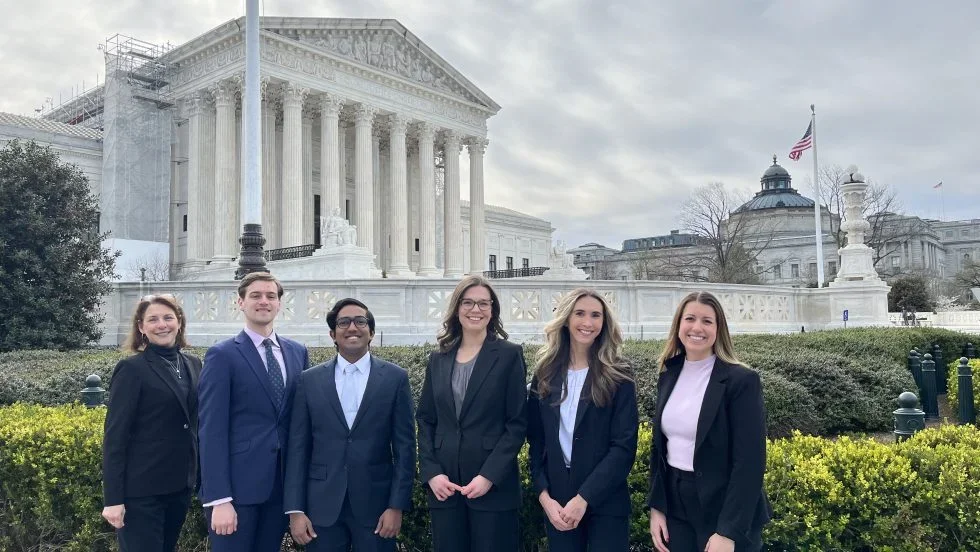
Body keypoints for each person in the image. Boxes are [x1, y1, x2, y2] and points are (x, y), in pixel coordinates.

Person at [284, 298, 415, 551]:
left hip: (376, 507)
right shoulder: (308, 381)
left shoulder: (395, 378)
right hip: (321, 507)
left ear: (371, 333)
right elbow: (298, 447)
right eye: (344, 322)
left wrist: (396, 506)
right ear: (333, 334)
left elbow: (405, 448)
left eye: (360, 321)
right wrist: (295, 510)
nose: (352, 327)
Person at [647, 292, 772, 552]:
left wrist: (728, 531)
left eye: (707, 321)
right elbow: (659, 448)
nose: (697, 328)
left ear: (719, 329)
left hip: (724, 507)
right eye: (690, 318)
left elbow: (750, 463)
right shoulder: (668, 373)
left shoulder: (741, 381)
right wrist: (657, 507)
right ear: (679, 325)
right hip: (676, 503)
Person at [199, 272, 310, 552]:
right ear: (241, 303)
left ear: (279, 304)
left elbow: (300, 423)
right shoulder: (222, 355)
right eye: (256, 296)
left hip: (280, 491)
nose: (264, 301)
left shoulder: (298, 353)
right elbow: (211, 430)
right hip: (235, 494)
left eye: (271, 296)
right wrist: (219, 499)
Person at [416, 275, 528, 552]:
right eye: (468, 302)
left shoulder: (509, 355)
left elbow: (517, 423)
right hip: (445, 488)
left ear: (493, 310)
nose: (475, 310)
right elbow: (426, 419)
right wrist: (431, 473)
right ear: (457, 308)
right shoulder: (438, 358)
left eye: (483, 303)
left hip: (493, 488)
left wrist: (488, 475)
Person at [527, 288, 638, 551]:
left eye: (595, 315)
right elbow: (536, 442)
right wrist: (544, 497)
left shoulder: (619, 374)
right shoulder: (545, 372)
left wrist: (584, 498)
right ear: (566, 318)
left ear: (604, 322)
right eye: (580, 313)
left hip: (606, 499)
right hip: (558, 500)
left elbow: (623, 446)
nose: (587, 323)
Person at [102, 294, 201, 552]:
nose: (162, 325)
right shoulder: (132, 369)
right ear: (141, 327)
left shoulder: (193, 363)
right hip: (141, 493)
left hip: (180, 486)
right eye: (153, 319)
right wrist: (113, 500)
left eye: (168, 317)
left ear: (179, 322)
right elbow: (115, 437)